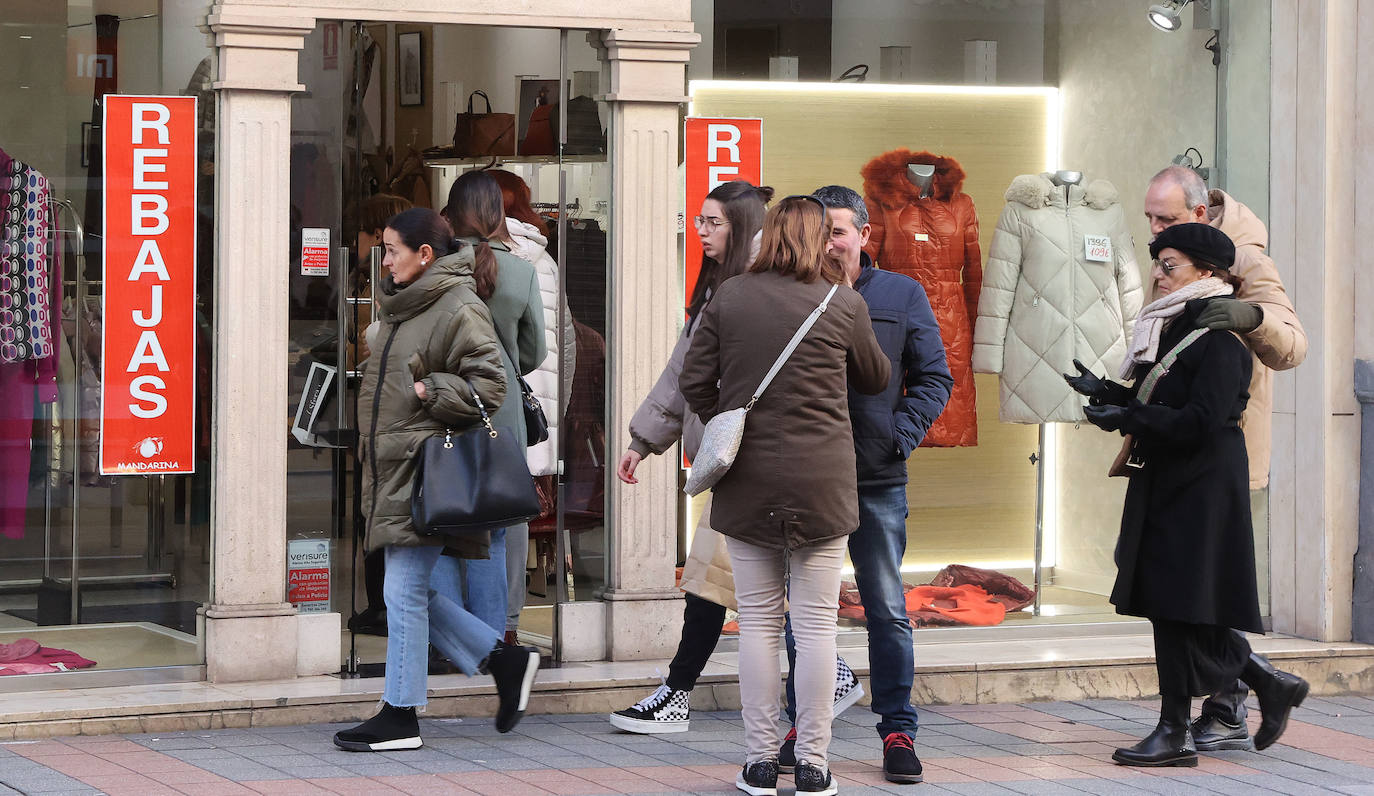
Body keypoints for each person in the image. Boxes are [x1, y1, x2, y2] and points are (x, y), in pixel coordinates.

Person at [609, 181, 864, 736]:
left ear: (746, 228)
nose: (700, 232)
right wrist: (648, 438)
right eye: (699, 221)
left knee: (739, 595)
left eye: (712, 222)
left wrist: (704, 418)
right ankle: (804, 704)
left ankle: (709, 707)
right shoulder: (750, 288)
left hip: (746, 464)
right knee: (735, 590)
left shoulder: (745, 291)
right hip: (754, 462)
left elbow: (688, 378)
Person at [1065, 223, 1308, 768]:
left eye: (1169, 265)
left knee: (1177, 606)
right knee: (1173, 606)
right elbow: (1167, 399)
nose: (1157, 274)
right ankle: (1267, 682)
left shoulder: (1221, 340)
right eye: (1157, 263)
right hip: (1171, 479)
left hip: (1201, 487)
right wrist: (1109, 392)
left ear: (1207, 272)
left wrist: (1127, 415)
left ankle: (1175, 729)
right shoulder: (1175, 328)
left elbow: (1201, 420)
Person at [680, 195, 889, 796]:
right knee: (818, 627)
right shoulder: (843, 301)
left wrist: (732, 414)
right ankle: (817, 762)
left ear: (768, 236)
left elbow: (695, 381)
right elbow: (875, 377)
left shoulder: (730, 297)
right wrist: (845, 291)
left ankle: (760, 761)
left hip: (746, 481)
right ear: (823, 240)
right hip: (823, 481)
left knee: (761, 626)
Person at [333, 208, 541, 752]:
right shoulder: (407, 304)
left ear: (426, 255)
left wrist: (431, 391)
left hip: (423, 469)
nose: (385, 259)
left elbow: (490, 386)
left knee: (401, 589)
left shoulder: (456, 305)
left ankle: (401, 712)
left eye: (393, 250)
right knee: (410, 589)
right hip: (396, 468)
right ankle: (503, 660)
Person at [777, 185, 953, 785]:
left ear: (863, 236)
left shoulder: (900, 294)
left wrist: (898, 436)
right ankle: (804, 722)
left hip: (876, 475)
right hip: (808, 476)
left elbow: (935, 376)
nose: (829, 243)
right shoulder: (793, 293)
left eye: (839, 231)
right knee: (804, 611)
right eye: (820, 231)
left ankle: (898, 729)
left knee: (886, 607)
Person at [1142, 166, 1308, 750]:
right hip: (1172, 444)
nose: (1156, 230)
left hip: (1215, 446)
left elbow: (1292, 342)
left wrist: (1250, 315)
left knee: (1203, 588)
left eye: (1166, 218)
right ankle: (1249, 688)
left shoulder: (1246, 259)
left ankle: (1227, 705)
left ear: (1198, 211)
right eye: (1151, 220)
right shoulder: (1172, 257)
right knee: (1183, 588)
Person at [437, 171, 547, 636]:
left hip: (442, 407)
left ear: (451, 213)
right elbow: (534, 351)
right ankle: (499, 628)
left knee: (443, 518)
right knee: (499, 522)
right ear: (498, 214)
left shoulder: (435, 268)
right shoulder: (521, 271)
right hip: (499, 412)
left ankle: (452, 628)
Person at [488, 168, 575, 643]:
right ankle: (508, 626)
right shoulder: (543, 259)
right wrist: (552, 410)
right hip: (531, 408)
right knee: (515, 518)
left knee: (481, 515)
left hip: (494, 406)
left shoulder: (486, 260)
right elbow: (564, 343)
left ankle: (491, 624)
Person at [343, 192, 412, 639]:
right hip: (386, 414)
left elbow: (369, 351)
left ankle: (381, 605)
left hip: (382, 416)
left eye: (365, 235)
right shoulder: (388, 283)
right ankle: (380, 604)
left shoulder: (379, 287)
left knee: (375, 508)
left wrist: (344, 349)